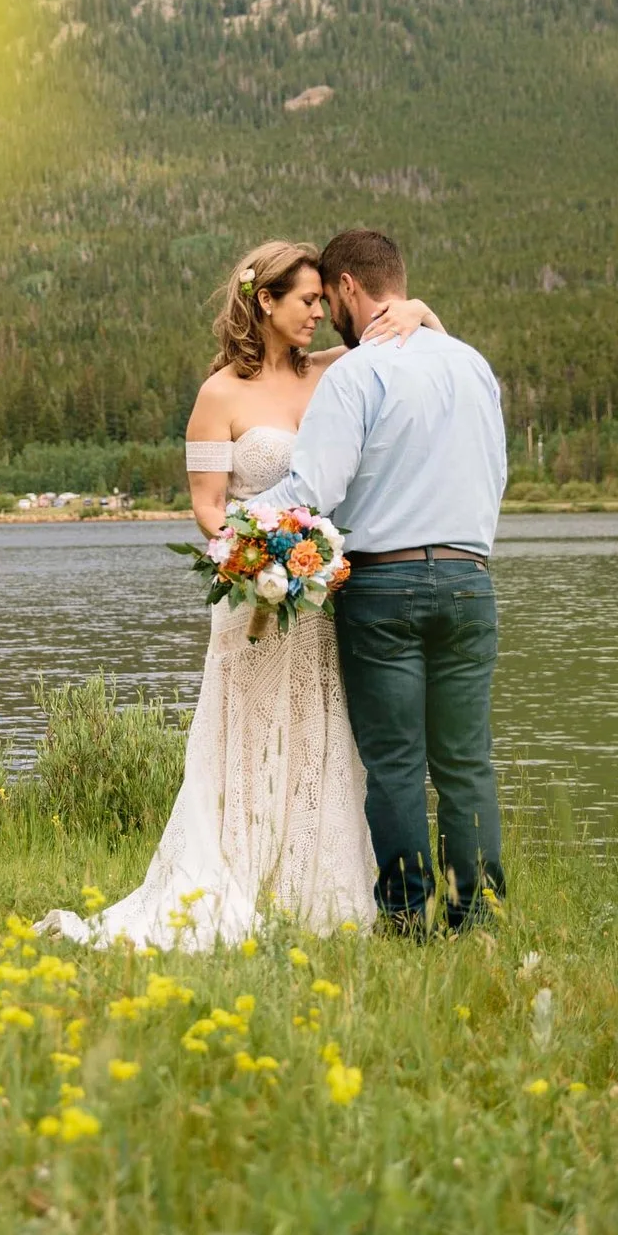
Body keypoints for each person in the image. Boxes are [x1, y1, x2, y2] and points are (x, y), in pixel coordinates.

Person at [39, 240, 444, 949]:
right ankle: (236, 874)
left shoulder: (332, 372)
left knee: (319, 728)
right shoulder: (218, 393)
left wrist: (415, 306)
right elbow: (206, 505)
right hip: (250, 591)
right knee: (248, 730)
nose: (320, 313)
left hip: (318, 594)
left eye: (324, 299)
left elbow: (431, 343)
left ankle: (315, 890)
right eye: (306, 301)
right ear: (265, 302)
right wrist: (258, 557)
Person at [245, 228, 508, 936]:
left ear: (350, 289)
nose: (328, 314)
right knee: (465, 763)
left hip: (385, 590)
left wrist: (238, 527)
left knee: (394, 765)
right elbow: (496, 476)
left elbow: (312, 487)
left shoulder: (357, 374)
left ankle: (407, 920)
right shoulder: (474, 365)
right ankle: (476, 918)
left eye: (328, 299)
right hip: (469, 581)